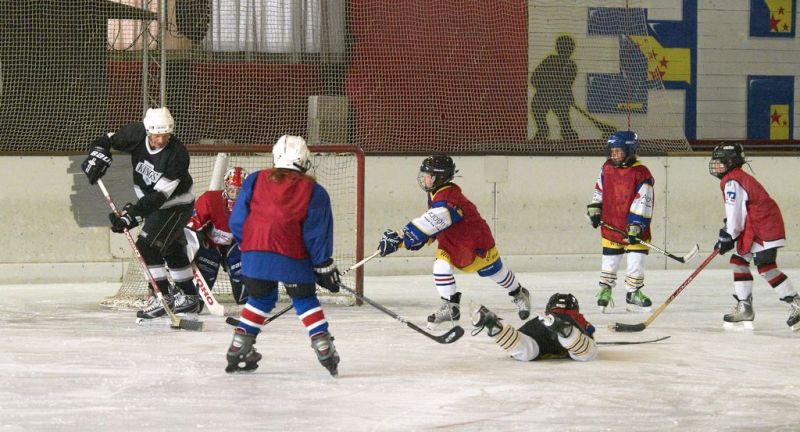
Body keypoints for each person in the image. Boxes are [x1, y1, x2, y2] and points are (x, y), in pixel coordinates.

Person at [225, 135, 343, 376]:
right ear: (304, 160)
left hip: (254, 255)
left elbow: (238, 221)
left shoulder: (255, 179)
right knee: (304, 300)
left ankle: (239, 346)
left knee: (260, 299)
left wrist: (250, 248)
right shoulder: (315, 191)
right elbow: (316, 234)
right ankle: (323, 346)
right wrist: (323, 265)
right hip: (292, 257)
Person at [377, 155, 531, 329]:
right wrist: (406, 241)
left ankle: (519, 293)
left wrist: (400, 238)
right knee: (440, 267)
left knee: (496, 273)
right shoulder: (436, 192)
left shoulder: (448, 198)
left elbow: (432, 221)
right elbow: (435, 224)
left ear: (439, 177)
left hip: (474, 242)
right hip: (451, 241)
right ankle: (451, 307)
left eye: (428, 175)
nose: (424, 178)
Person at [81, 107, 201, 319]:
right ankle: (189, 297)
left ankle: (161, 296)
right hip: (153, 202)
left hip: (176, 204)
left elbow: (159, 197)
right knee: (171, 247)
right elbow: (106, 140)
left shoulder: (178, 155)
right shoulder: (135, 134)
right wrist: (97, 153)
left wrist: (132, 215)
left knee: (147, 245)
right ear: (147, 131)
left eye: (165, 135)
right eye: (156, 135)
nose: (160, 140)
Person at [709, 142, 800, 331]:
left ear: (730, 161)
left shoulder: (733, 180)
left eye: (720, 161)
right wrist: (728, 230)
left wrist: (728, 235)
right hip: (757, 226)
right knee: (738, 261)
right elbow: (738, 212)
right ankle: (745, 308)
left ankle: (796, 303)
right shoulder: (736, 177)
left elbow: (736, 216)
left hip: (763, 226)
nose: (716, 165)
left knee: (766, 267)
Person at [586, 130, 654, 313]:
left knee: (636, 261)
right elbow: (599, 190)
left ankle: (633, 292)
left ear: (630, 150)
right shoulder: (607, 168)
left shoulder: (641, 173)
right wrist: (595, 208)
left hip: (635, 228)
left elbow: (644, 200)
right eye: (612, 151)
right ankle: (605, 289)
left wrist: (637, 226)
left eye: (618, 151)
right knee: (609, 261)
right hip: (612, 224)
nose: (614, 154)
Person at [185, 166, 249, 304]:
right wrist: (186, 253)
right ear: (226, 187)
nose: (235, 195)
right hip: (209, 244)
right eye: (232, 190)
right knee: (196, 300)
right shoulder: (209, 199)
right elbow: (191, 228)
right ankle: (184, 294)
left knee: (245, 296)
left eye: (240, 191)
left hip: (235, 245)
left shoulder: (254, 205)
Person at [471, 293, 598, 362]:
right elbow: (590, 331)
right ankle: (564, 331)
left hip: (542, 325)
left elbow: (522, 332)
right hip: (566, 324)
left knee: (526, 351)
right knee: (588, 352)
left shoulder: (541, 318)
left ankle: (497, 328)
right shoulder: (575, 316)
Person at [530, 34, 578, 141]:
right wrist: (545, 88)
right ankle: (544, 130)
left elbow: (567, 85)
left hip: (558, 98)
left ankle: (566, 132)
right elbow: (534, 79)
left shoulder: (571, 65)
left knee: (564, 120)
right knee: (537, 108)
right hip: (545, 96)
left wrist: (568, 97)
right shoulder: (550, 61)